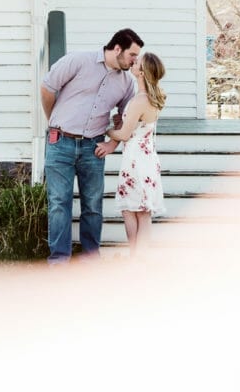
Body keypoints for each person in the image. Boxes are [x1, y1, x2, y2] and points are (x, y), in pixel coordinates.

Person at [40, 28, 144, 264]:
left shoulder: (126, 83)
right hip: (60, 143)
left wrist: (112, 144)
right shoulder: (77, 61)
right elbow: (47, 88)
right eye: (132, 55)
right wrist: (53, 121)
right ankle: (59, 261)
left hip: (93, 149)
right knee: (58, 203)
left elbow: (124, 119)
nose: (135, 61)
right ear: (117, 48)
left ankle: (90, 260)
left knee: (93, 205)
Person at [96, 50, 166, 256]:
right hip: (147, 159)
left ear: (142, 73)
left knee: (130, 210)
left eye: (138, 63)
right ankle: (139, 259)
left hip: (135, 160)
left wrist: (105, 128)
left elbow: (125, 134)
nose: (134, 63)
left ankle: (135, 257)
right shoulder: (151, 98)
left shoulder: (139, 101)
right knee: (143, 212)